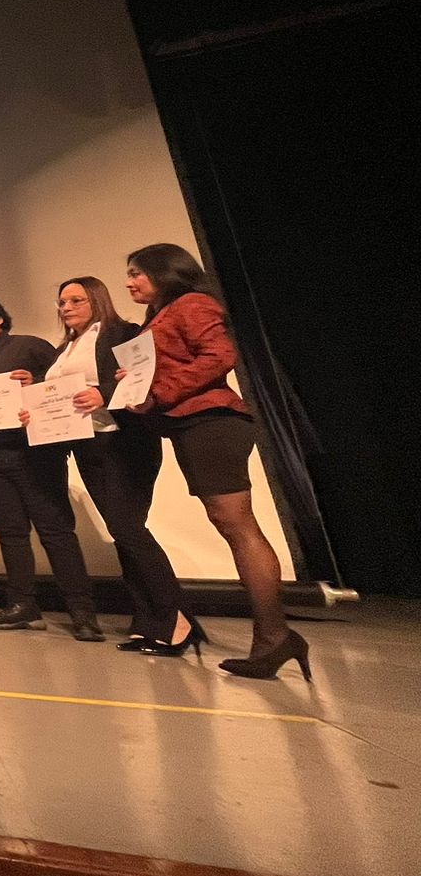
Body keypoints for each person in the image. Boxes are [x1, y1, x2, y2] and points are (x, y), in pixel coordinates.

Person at [123, 243, 308, 679]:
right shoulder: (158, 315)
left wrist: (159, 391)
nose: (130, 282)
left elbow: (220, 356)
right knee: (231, 526)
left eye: (136, 273)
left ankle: (274, 637)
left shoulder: (192, 303)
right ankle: (273, 637)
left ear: (165, 272)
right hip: (191, 426)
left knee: (238, 527)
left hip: (211, 422)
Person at [28, 277, 193, 654]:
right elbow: (56, 396)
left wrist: (103, 392)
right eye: (62, 302)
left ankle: (177, 617)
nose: (66, 308)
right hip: (88, 447)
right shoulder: (64, 349)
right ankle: (147, 620)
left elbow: (143, 379)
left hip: (125, 443)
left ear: (96, 300)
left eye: (76, 300)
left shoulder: (124, 333)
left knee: (128, 528)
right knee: (123, 532)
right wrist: (33, 408)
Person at [0, 297, 102, 640]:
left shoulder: (30, 346)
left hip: (36, 454)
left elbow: (62, 385)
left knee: (56, 532)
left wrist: (35, 381)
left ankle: (83, 613)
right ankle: (23, 606)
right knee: (10, 533)